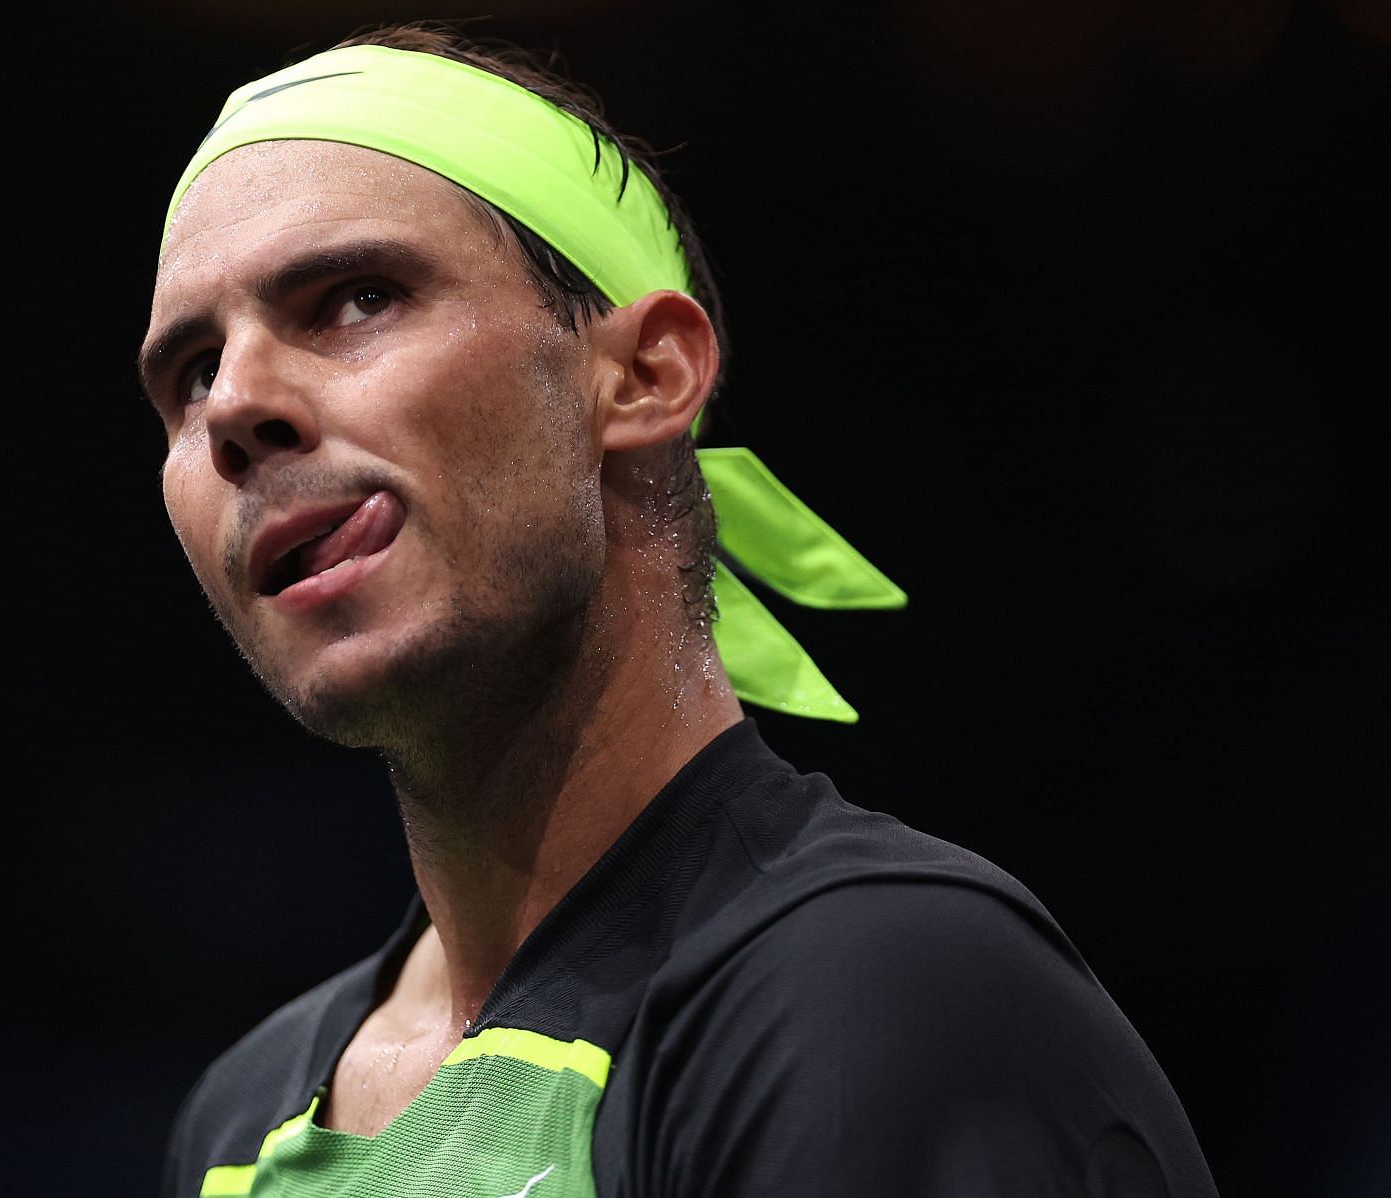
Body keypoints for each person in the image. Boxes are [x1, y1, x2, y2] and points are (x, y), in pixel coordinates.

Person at [143, 23, 1218, 1198]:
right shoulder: (235, 1126)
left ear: (647, 374)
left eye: (357, 298)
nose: (237, 403)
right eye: (191, 372)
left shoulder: (879, 994)